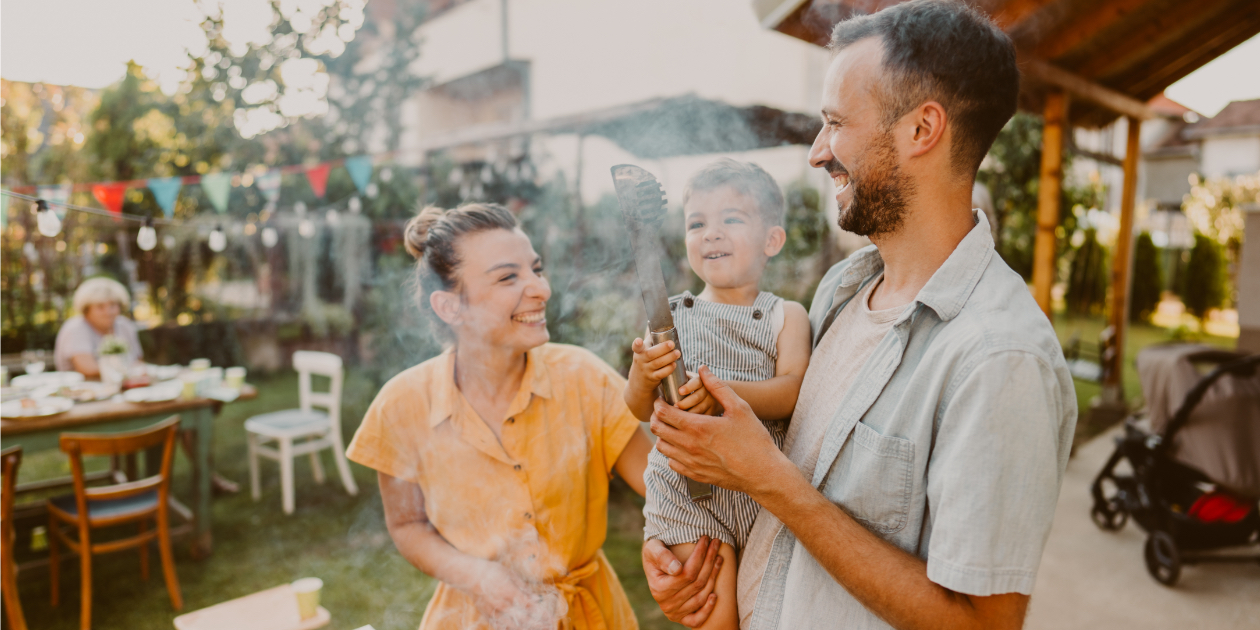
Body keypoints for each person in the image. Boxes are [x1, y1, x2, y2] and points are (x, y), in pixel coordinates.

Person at [642, 2, 1076, 629]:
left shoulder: (999, 358)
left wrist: (770, 482)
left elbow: (984, 624)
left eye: (836, 123)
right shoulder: (842, 292)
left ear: (922, 130)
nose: (819, 152)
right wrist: (702, 575)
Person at [346, 203, 655, 630]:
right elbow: (406, 524)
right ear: (450, 307)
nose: (541, 289)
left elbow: (665, 489)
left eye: (536, 269)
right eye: (508, 276)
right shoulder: (401, 405)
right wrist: (477, 576)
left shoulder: (584, 377)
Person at [624, 159, 811, 629]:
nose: (711, 234)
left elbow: (791, 392)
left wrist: (724, 394)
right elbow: (638, 407)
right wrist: (644, 375)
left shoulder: (786, 317)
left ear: (772, 240)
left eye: (731, 219)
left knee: (767, 612)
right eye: (697, 223)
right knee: (716, 614)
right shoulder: (668, 318)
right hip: (686, 490)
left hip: (758, 488)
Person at [54, 277, 144, 377]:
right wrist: (129, 370)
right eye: (100, 307)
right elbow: (87, 369)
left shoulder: (124, 325)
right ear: (86, 310)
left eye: (113, 305)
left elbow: (138, 362)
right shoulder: (75, 328)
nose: (108, 312)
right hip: (84, 390)